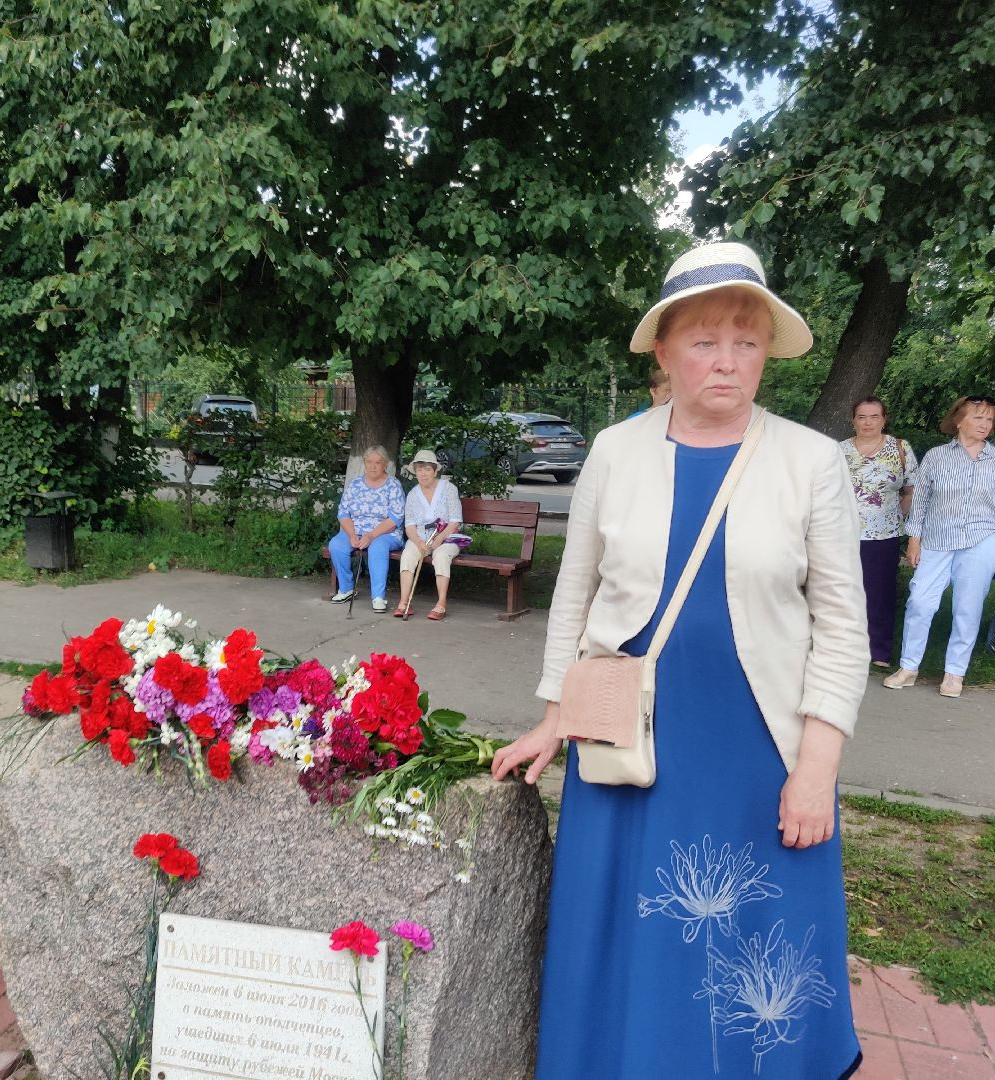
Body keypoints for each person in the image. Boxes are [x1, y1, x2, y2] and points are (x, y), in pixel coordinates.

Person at [492, 242, 868, 1079]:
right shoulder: (614, 452)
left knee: (755, 949)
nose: (727, 360)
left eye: (745, 338)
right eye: (703, 340)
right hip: (628, 748)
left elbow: (843, 627)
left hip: (758, 751)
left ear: (767, 348)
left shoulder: (812, 462)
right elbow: (576, 597)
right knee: (626, 933)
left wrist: (818, 767)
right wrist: (555, 719)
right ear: (663, 350)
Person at [883, 395, 995, 699]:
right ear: (959, 420)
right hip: (936, 539)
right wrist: (914, 539)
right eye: (978, 418)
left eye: (989, 419)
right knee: (920, 601)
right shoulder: (936, 457)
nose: (985, 424)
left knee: (968, 607)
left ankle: (954, 673)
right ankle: (909, 667)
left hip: (982, 538)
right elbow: (920, 501)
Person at [839, 397, 919, 667]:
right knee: (842, 591)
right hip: (842, 533)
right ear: (854, 420)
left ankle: (879, 652)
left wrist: (900, 514)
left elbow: (912, 489)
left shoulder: (900, 448)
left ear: (884, 419)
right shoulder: (839, 451)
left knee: (879, 592)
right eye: (862, 416)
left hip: (884, 534)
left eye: (874, 416)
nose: (868, 422)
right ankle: (843, 649)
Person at [327, 445, 405, 612]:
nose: (373, 466)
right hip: (356, 530)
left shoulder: (393, 485)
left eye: (377, 462)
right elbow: (343, 513)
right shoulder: (355, 484)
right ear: (364, 463)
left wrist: (371, 535)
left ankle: (378, 597)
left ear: (385, 464)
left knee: (378, 547)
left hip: (385, 533)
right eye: (369, 462)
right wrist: (352, 534)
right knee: (336, 545)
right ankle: (347, 589)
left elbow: (395, 518)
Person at [392, 448, 463, 621]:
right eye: (419, 470)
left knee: (440, 556)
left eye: (427, 469)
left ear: (435, 470)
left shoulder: (449, 489)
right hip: (421, 539)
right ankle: (404, 603)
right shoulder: (413, 494)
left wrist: (439, 539)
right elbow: (409, 526)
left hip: (446, 537)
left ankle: (441, 604)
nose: (423, 474)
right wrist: (418, 542)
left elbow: (455, 521)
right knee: (408, 555)